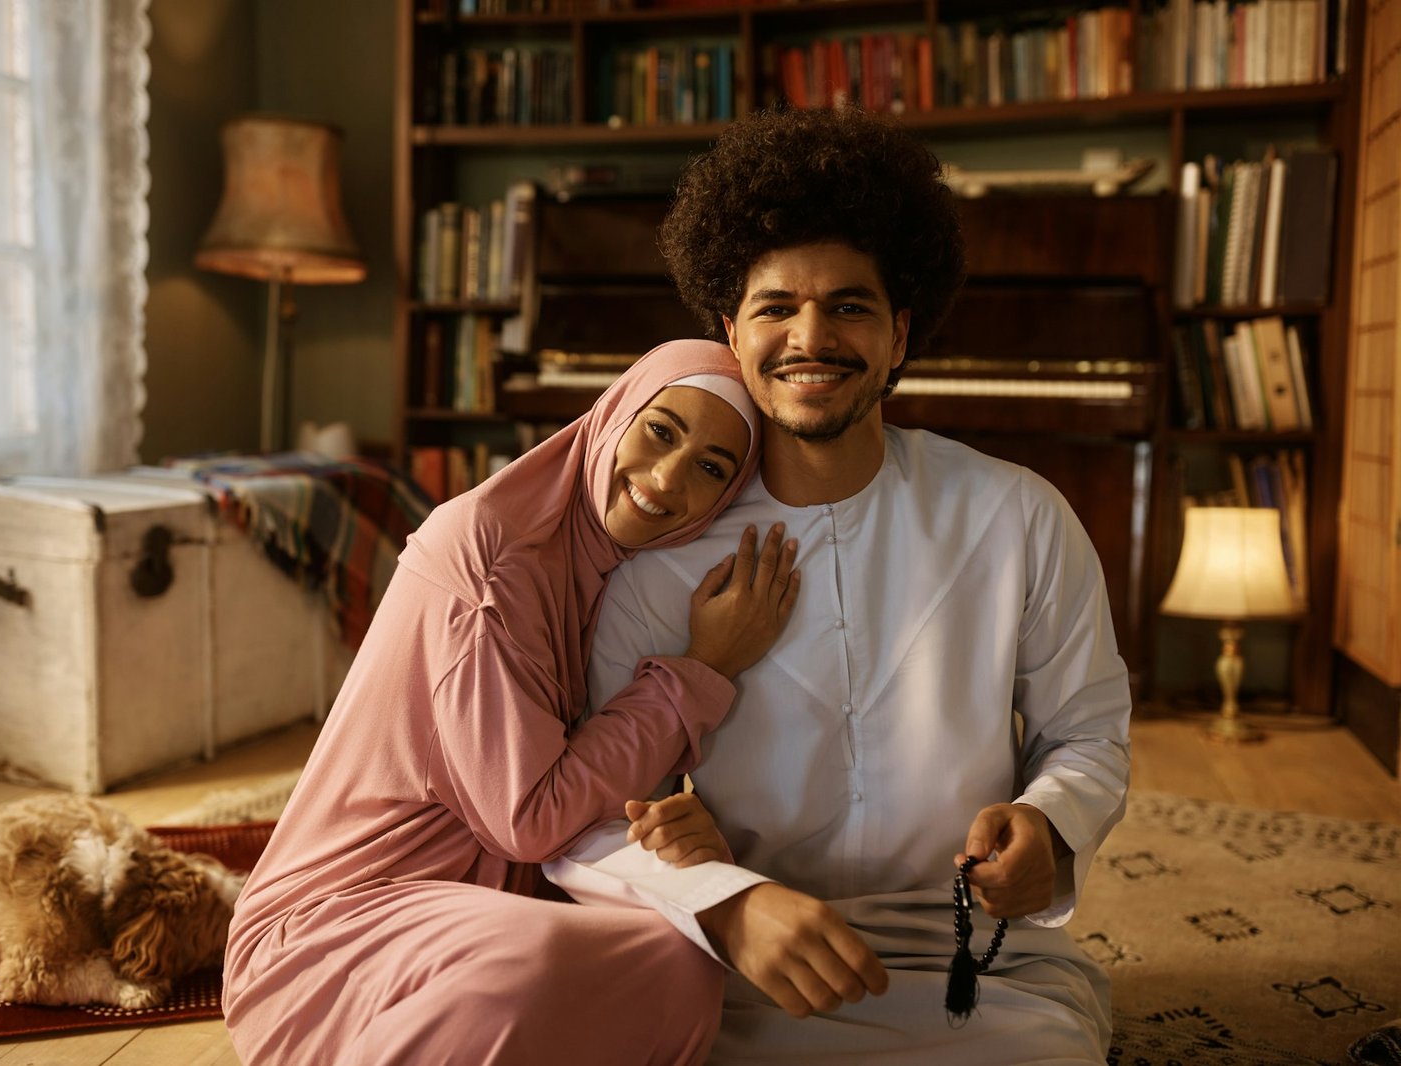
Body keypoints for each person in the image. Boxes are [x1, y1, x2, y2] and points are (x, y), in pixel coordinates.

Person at [546, 106, 1134, 1064]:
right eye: (777, 307)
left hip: (971, 959)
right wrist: (724, 905)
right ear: (730, 333)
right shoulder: (661, 558)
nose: (810, 338)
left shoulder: (1020, 515)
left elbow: (1088, 731)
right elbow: (589, 817)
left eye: (849, 307)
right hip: (737, 952)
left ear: (901, 335)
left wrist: (1048, 825)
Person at [222, 338, 801, 1066]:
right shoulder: (490, 555)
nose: (665, 477)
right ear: (616, 413)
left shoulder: (600, 568)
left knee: (680, 962)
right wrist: (701, 668)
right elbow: (529, 818)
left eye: (711, 468)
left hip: (477, 917)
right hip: (328, 932)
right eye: (661, 431)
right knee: (535, 970)